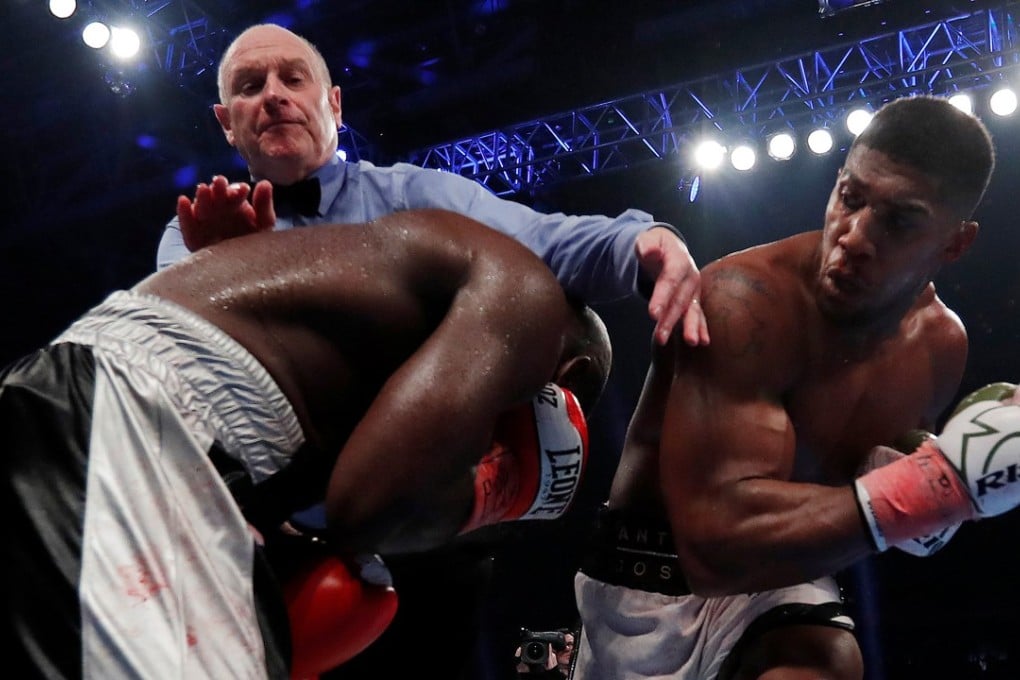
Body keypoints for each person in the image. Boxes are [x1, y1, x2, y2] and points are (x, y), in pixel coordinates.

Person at [3, 209, 613, 678]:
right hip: (139, 420)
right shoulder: (529, 298)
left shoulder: (393, 323)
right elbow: (370, 510)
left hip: (110, 416)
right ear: (571, 374)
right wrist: (492, 495)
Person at [571, 94, 1020, 679]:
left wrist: (935, 490)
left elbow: (869, 498)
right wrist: (932, 489)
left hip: (780, 584)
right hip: (648, 576)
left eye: (899, 220)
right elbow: (714, 546)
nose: (855, 236)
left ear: (954, 244)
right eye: (850, 198)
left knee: (823, 665)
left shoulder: (940, 346)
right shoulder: (742, 302)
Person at [155, 22, 709, 349]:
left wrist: (640, 241)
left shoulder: (408, 195)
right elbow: (169, 355)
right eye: (251, 86)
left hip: (422, 452)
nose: (275, 95)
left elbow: (537, 239)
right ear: (227, 124)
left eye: (293, 79)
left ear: (335, 106)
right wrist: (218, 273)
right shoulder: (194, 232)